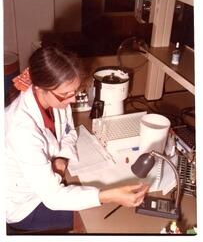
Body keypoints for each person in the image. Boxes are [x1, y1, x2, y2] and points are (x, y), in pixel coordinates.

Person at [5, 46, 149, 232]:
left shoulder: (56, 96)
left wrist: (62, 158)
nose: (72, 100)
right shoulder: (21, 130)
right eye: (66, 94)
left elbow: (69, 132)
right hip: (25, 205)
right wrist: (108, 196)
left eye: (75, 91)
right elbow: (54, 197)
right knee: (95, 219)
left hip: (49, 180)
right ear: (40, 88)